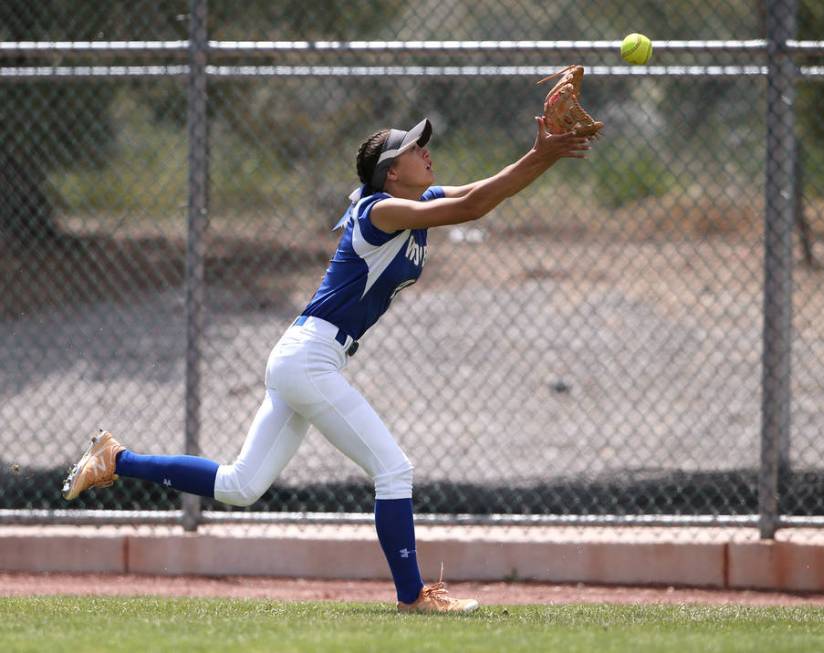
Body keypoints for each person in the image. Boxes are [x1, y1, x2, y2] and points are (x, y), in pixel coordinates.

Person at [62, 115, 591, 613]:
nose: (426, 153)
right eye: (413, 148)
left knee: (240, 486)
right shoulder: (379, 211)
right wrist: (542, 153)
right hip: (309, 357)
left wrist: (543, 154)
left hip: (305, 356)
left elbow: (482, 192)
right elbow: (472, 207)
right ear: (391, 171)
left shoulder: (415, 199)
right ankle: (413, 596)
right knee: (394, 470)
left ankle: (115, 459)